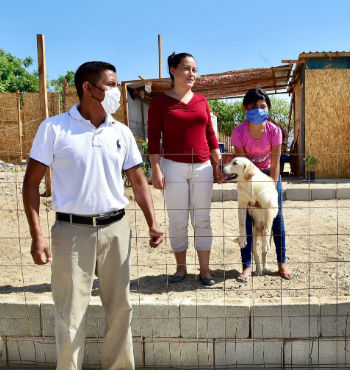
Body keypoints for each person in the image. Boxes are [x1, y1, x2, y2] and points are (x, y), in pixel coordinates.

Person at [22, 61, 164, 370]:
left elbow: (138, 181)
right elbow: (31, 184)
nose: (117, 92)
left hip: (116, 229)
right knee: (70, 312)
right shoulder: (54, 129)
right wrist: (38, 235)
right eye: (111, 85)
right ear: (88, 88)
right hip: (71, 232)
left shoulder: (121, 132)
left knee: (120, 308)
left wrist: (153, 221)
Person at [147, 52, 223, 286]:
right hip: (173, 167)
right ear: (173, 70)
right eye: (187, 69)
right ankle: (181, 269)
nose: (192, 74)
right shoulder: (159, 102)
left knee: (202, 220)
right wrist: (156, 169)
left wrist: (216, 162)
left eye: (195, 70)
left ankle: (205, 270)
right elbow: (153, 138)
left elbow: (211, 134)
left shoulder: (201, 100)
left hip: (202, 168)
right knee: (177, 219)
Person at [231, 88, 293, 282]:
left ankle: (282, 263)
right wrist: (251, 197)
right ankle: (247, 266)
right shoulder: (239, 132)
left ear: (268, 108)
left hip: (269, 175)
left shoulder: (274, 131)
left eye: (263, 106)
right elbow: (243, 165)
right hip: (249, 176)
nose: (259, 110)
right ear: (245, 109)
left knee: (276, 215)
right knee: (247, 216)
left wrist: (270, 193)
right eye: (254, 107)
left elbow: (276, 164)